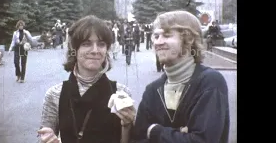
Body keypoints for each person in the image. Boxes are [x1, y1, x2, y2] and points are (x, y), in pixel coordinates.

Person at [132, 11, 230, 143]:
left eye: (166, 35)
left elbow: (202, 140)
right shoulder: (152, 90)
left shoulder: (210, 82)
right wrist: (180, 135)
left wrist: (155, 131)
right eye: (156, 36)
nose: (158, 42)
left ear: (189, 39)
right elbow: (137, 138)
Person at [38, 15, 136, 143]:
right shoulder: (55, 94)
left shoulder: (121, 93)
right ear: (74, 49)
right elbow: (44, 137)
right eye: (86, 44)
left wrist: (128, 125)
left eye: (101, 44)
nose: (95, 50)